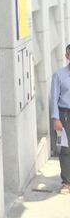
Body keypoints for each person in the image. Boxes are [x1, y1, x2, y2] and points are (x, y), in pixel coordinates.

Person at [51, 43, 70, 195]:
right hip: (65, 115)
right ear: (67, 56)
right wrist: (55, 118)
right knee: (65, 149)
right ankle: (66, 182)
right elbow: (54, 99)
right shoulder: (59, 75)